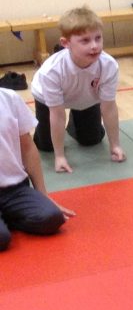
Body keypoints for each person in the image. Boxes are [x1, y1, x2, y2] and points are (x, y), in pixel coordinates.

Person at [30, 6, 125, 173]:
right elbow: (57, 114)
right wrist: (60, 156)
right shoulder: (51, 71)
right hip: (47, 99)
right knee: (46, 146)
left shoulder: (108, 65)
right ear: (66, 43)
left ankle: (77, 119)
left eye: (98, 38)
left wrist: (115, 145)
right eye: (85, 41)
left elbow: (109, 108)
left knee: (92, 139)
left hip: (86, 97)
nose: (94, 46)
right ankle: (46, 134)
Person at [0, 87, 74, 250]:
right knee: (1, 238)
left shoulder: (9, 98)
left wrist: (43, 194)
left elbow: (28, 148)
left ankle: (6, 218)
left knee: (51, 218)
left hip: (14, 189)